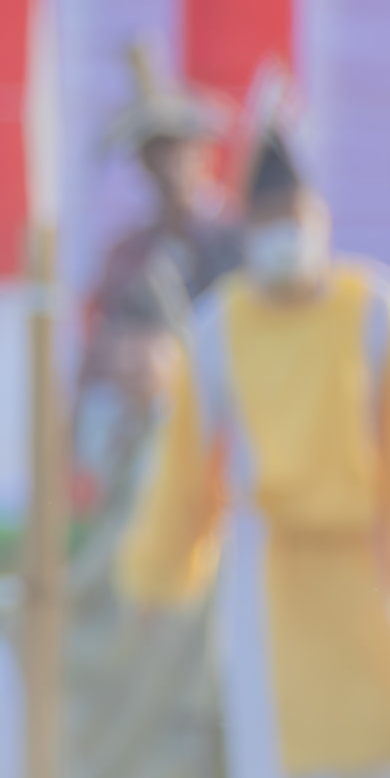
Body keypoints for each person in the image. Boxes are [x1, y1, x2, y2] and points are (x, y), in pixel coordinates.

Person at [116, 128, 390, 778]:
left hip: (365, 547)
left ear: (320, 218)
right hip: (266, 554)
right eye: (268, 222)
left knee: (382, 696)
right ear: (248, 230)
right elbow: (184, 465)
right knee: (270, 707)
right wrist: (158, 573)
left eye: (294, 218)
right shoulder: (218, 324)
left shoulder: (377, 306)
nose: (283, 235)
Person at [69, 44, 237, 493]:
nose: (169, 166)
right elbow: (102, 348)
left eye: (179, 150)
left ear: (204, 153)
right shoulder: (128, 255)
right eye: (156, 153)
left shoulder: (236, 242)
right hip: (145, 424)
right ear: (142, 164)